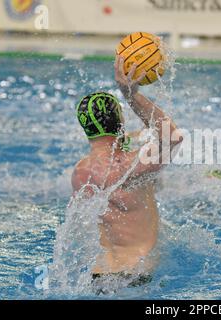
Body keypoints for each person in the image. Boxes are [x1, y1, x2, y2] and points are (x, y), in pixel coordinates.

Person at [71, 55, 182, 292]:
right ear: (119, 120)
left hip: (98, 276)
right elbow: (172, 137)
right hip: (135, 276)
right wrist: (131, 95)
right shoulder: (130, 166)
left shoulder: (80, 171)